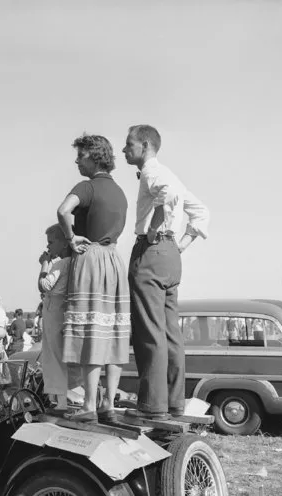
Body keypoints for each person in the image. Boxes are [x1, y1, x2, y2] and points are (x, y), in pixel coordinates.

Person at [123, 124, 210, 419]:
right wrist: (182, 244)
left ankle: (152, 406)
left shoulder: (152, 172)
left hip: (153, 251)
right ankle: (174, 402)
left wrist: (152, 230)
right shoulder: (170, 172)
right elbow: (200, 212)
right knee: (171, 332)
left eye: (129, 145)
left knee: (149, 331)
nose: (125, 150)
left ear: (145, 145)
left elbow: (168, 195)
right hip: (171, 254)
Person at [57, 133, 130, 422]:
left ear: (93, 156)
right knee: (112, 331)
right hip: (114, 260)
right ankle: (108, 404)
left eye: (81, 155)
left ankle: (88, 405)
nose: (77, 160)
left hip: (91, 257)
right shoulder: (120, 192)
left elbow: (63, 211)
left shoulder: (86, 187)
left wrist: (71, 237)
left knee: (91, 332)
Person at [38, 225, 72, 413]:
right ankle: (60, 398)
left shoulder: (60, 264)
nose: (49, 246)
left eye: (51, 242)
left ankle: (60, 401)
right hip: (62, 309)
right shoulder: (72, 262)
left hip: (53, 310)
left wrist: (44, 264)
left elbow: (44, 285)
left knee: (53, 355)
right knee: (59, 355)